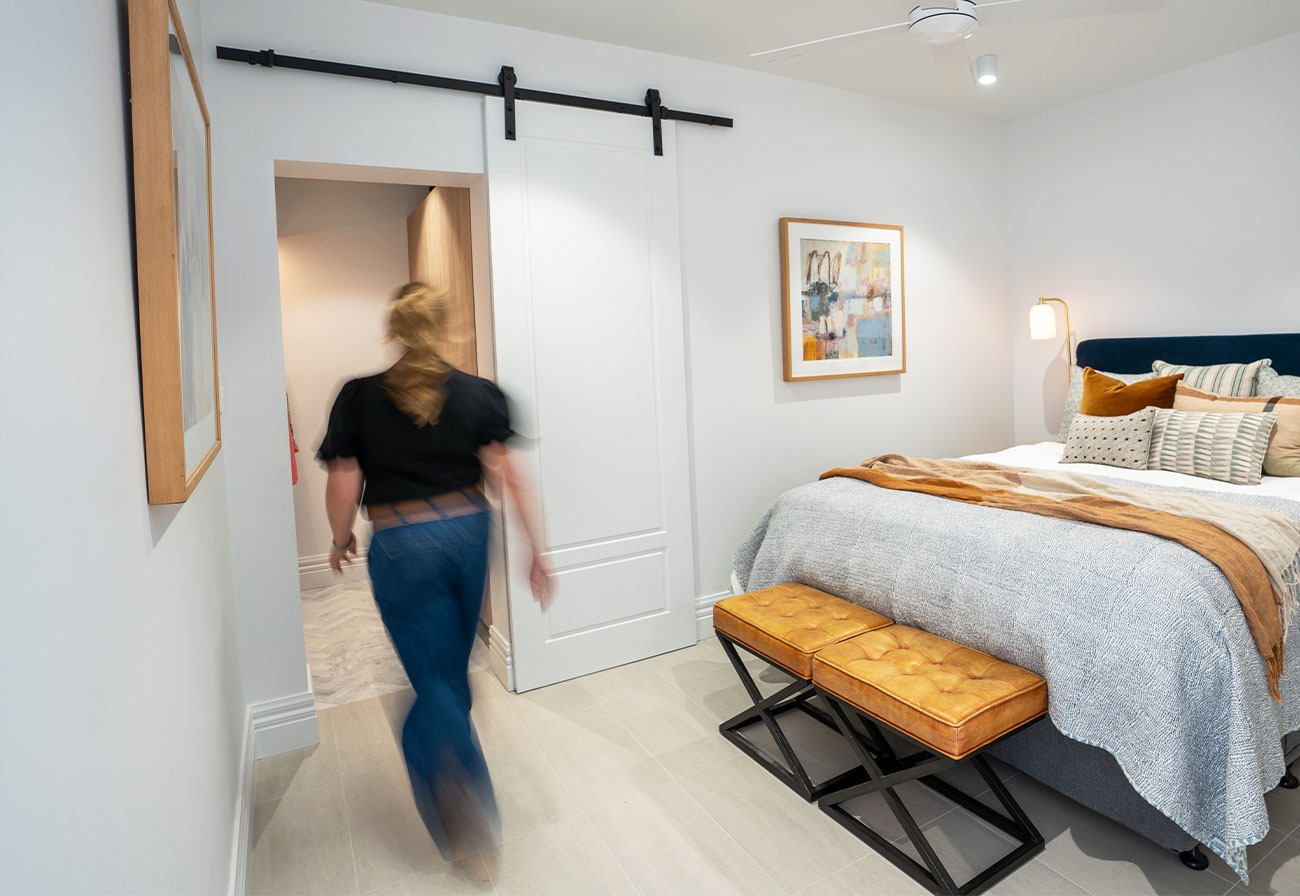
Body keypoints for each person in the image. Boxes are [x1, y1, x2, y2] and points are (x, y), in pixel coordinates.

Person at [317, 281, 553, 860]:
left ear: (394, 330)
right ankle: (453, 764)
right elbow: (508, 476)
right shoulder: (480, 395)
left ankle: (456, 791)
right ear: (446, 328)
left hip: (403, 542)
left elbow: (343, 482)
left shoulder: (359, 397)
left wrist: (340, 536)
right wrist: (536, 549)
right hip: (471, 532)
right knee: (449, 664)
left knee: (432, 677)